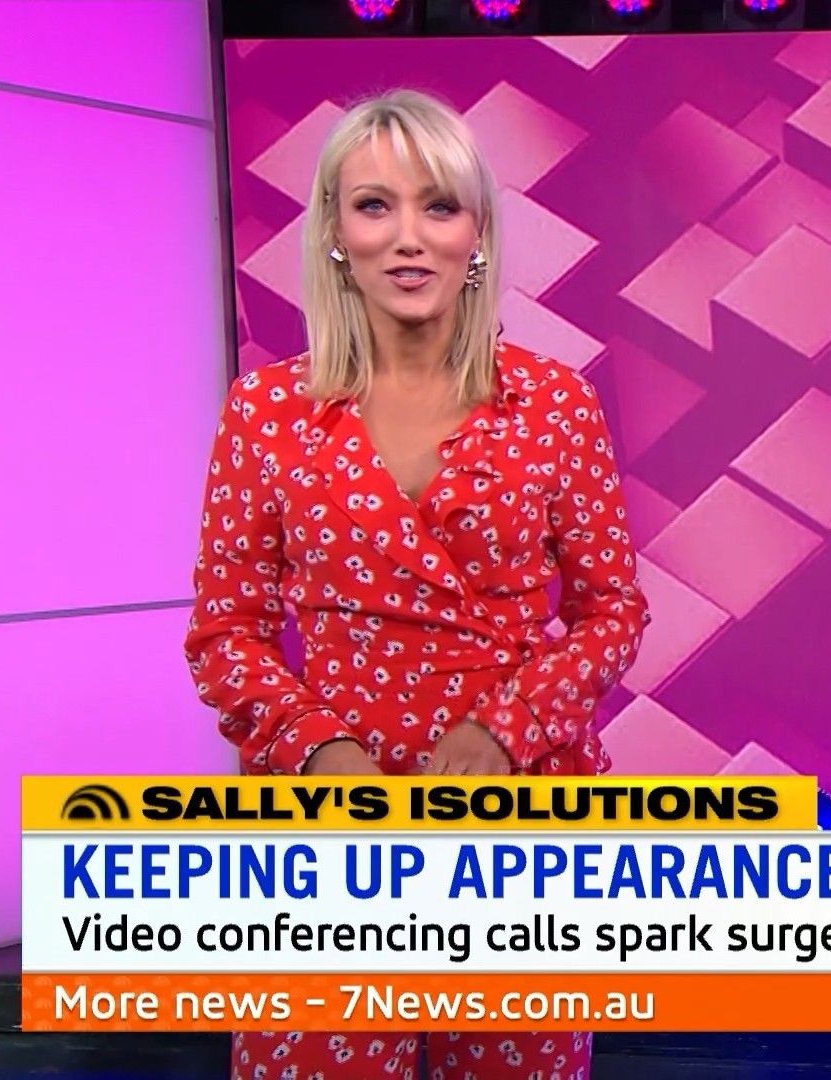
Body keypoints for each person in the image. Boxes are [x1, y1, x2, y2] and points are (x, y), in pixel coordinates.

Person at [184, 88, 648, 1080]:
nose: (408, 236)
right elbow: (225, 632)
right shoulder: (265, 410)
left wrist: (504, 731)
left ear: (476, 233)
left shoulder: (554, 403)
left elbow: (612, 612)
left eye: (438, 206)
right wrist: (322, 753)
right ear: (334, 232)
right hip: (322, 834)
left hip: (521, 821)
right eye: (374, 205)